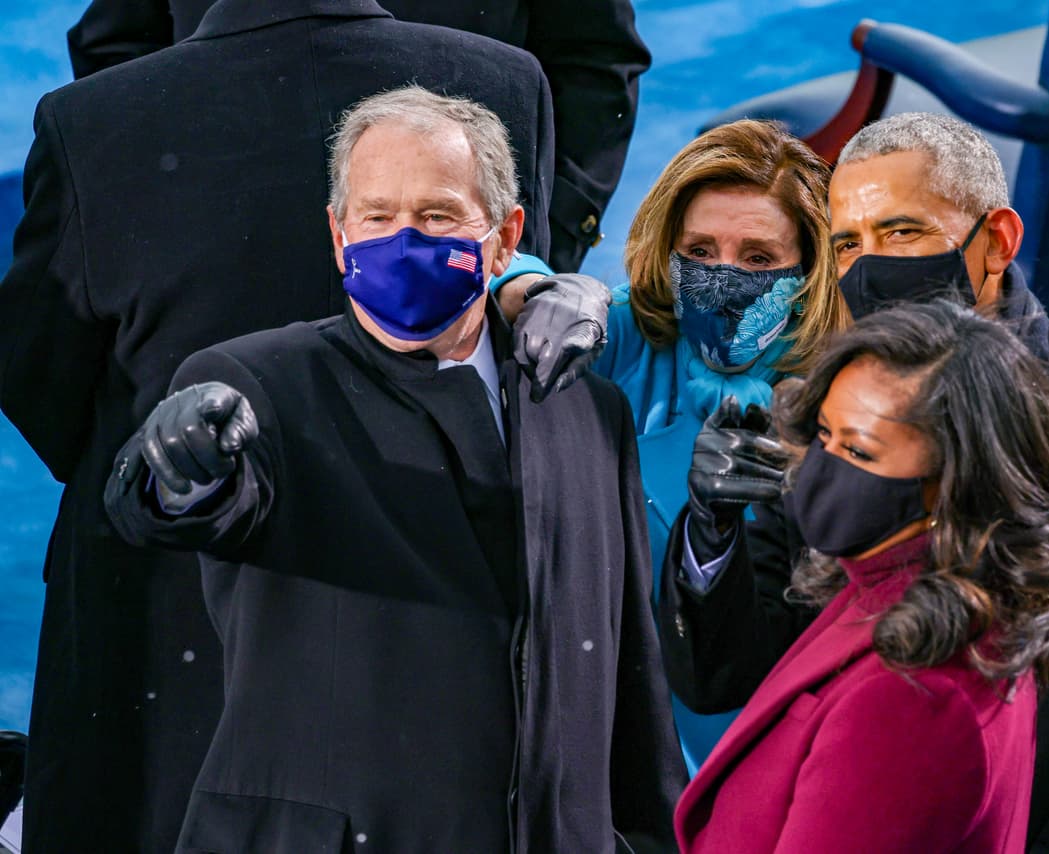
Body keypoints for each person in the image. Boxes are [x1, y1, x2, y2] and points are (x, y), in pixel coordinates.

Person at [0, 2, 604, 849]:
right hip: (434, 654)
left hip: (160, 645)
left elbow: (39, 377)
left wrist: (161, 471)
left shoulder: (90, 120)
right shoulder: (502, 84)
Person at [102, 86, 684, 851]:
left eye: (436, 215)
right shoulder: (258, 384)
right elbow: (176, 505)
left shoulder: (588, 410)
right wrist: (179, 465)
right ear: (339, 237)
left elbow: (628, 679)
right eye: (376, 218)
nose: (402, 240)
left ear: (506, 238)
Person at [660, 112, 1049, 852]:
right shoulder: (828, 409)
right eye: (847, 245)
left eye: (901, 233)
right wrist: (711, 536)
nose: (870, 268)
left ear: (997, 241)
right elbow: (727, 675)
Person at [674, 299, 1049, 852]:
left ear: (952, 480)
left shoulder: (914, 700)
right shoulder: (908, 585)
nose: (821, 466)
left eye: (860, 450)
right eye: (823, 434)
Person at [500, 119, 846, 768]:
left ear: (809, 267)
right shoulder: (627, 335)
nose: (723, 278)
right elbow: (472, 281)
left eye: (758, 258)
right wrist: (531, 285)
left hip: (769, 733)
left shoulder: (846, 386)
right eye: (701, 250)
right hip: (611, 721)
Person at [65, 0, 651, 273]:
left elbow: (594, 59)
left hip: (447, 263)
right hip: (219, 264)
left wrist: (528, 247)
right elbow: (116, 49)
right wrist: (150, 240)